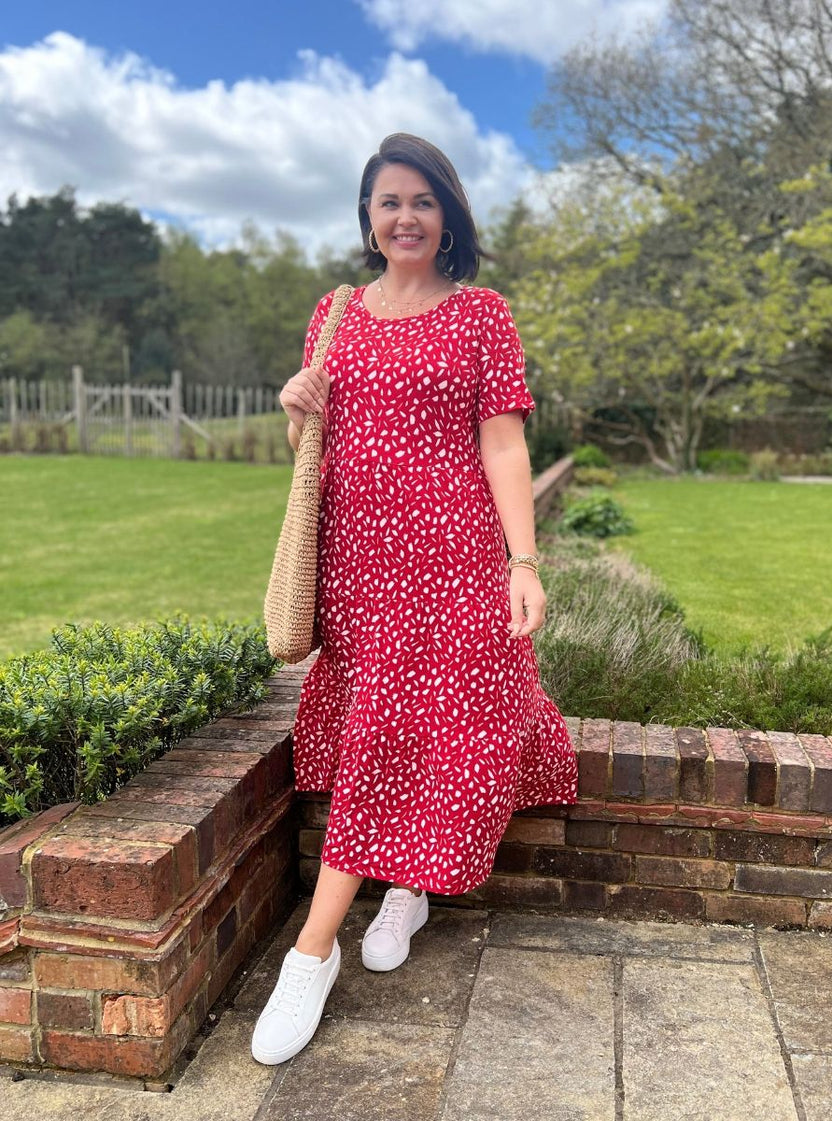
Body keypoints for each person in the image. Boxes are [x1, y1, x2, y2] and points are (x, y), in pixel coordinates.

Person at [251, 132, 579, 1065]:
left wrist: (523, 561)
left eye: (423, 201)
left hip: (455, 559)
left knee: (424, 725)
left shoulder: (482, 314)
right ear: (367, 215)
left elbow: (505, 445)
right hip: (361, 566)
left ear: (449, 218)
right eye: (389, 201)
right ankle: (407, 882)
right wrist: (294, 409)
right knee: (387, 729)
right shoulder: (334, 314)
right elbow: (313, 457)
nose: (405, 217)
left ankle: (312, 953)